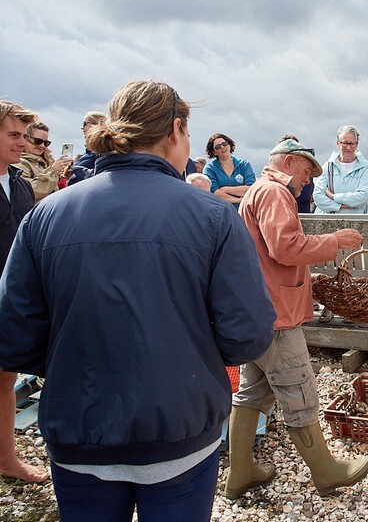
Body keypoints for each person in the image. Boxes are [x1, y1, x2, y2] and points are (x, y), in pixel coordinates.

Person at [0, 81, 276, 521]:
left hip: (80, 428)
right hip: (179, 428)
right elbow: (248, 334)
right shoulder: (213, 217)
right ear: (176, 130)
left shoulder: (45, 216)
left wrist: (75, 365)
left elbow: (15, 336)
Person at [226, 138, 368, 499]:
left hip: (259, 311)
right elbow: (286, 247)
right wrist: (334, 240)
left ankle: (240, 472)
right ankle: (325, 471)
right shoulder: (275, 193)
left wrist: (310, 280)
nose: (308, 181)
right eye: (307, 172)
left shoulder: (258, 192)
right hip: (278, 317)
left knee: (252, 394)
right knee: (299, 390)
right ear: (289, 162)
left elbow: (269, 257)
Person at [0, 100, 47, 484]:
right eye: (14, 135)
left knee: (4, 379)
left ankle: (6, 459)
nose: (23, 144)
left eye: (24, 136)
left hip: (9, 299)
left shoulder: (19, 183)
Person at [313, 125, 368, 214]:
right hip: (327, 221)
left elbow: (362, 197)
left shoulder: (365, 167)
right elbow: (318, 197)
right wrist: (341, 206)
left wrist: (333, 196)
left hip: (355, 221)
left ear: (357, 144)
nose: (348, 147)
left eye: (352, 144)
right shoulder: (328, 166)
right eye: (345, 143)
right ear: (338, 143)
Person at [17, 120, 71, 202]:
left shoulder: (44, 162)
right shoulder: (18, 162)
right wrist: (53, 171)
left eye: (46, 143)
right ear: (26, 138)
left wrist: (63, 175)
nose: (42, 146)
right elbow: (29, 191)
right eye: (38, 141)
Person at [203, 133, 256, 208]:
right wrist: (238, 200)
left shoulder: (244, 165)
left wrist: (224, 189)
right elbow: (214, 193)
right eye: (217, 146)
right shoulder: (209, 169)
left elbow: (251, 189)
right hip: (220, 212)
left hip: (244, 212)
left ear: (229, 145)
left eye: (224, 144)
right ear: (214, 152)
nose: (222, 147)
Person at [68, 111, 107, 186]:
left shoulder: (100, 152)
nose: (82, 127)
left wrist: (75, 169)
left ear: (95, 125)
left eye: (84, 123)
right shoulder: (89, 154)